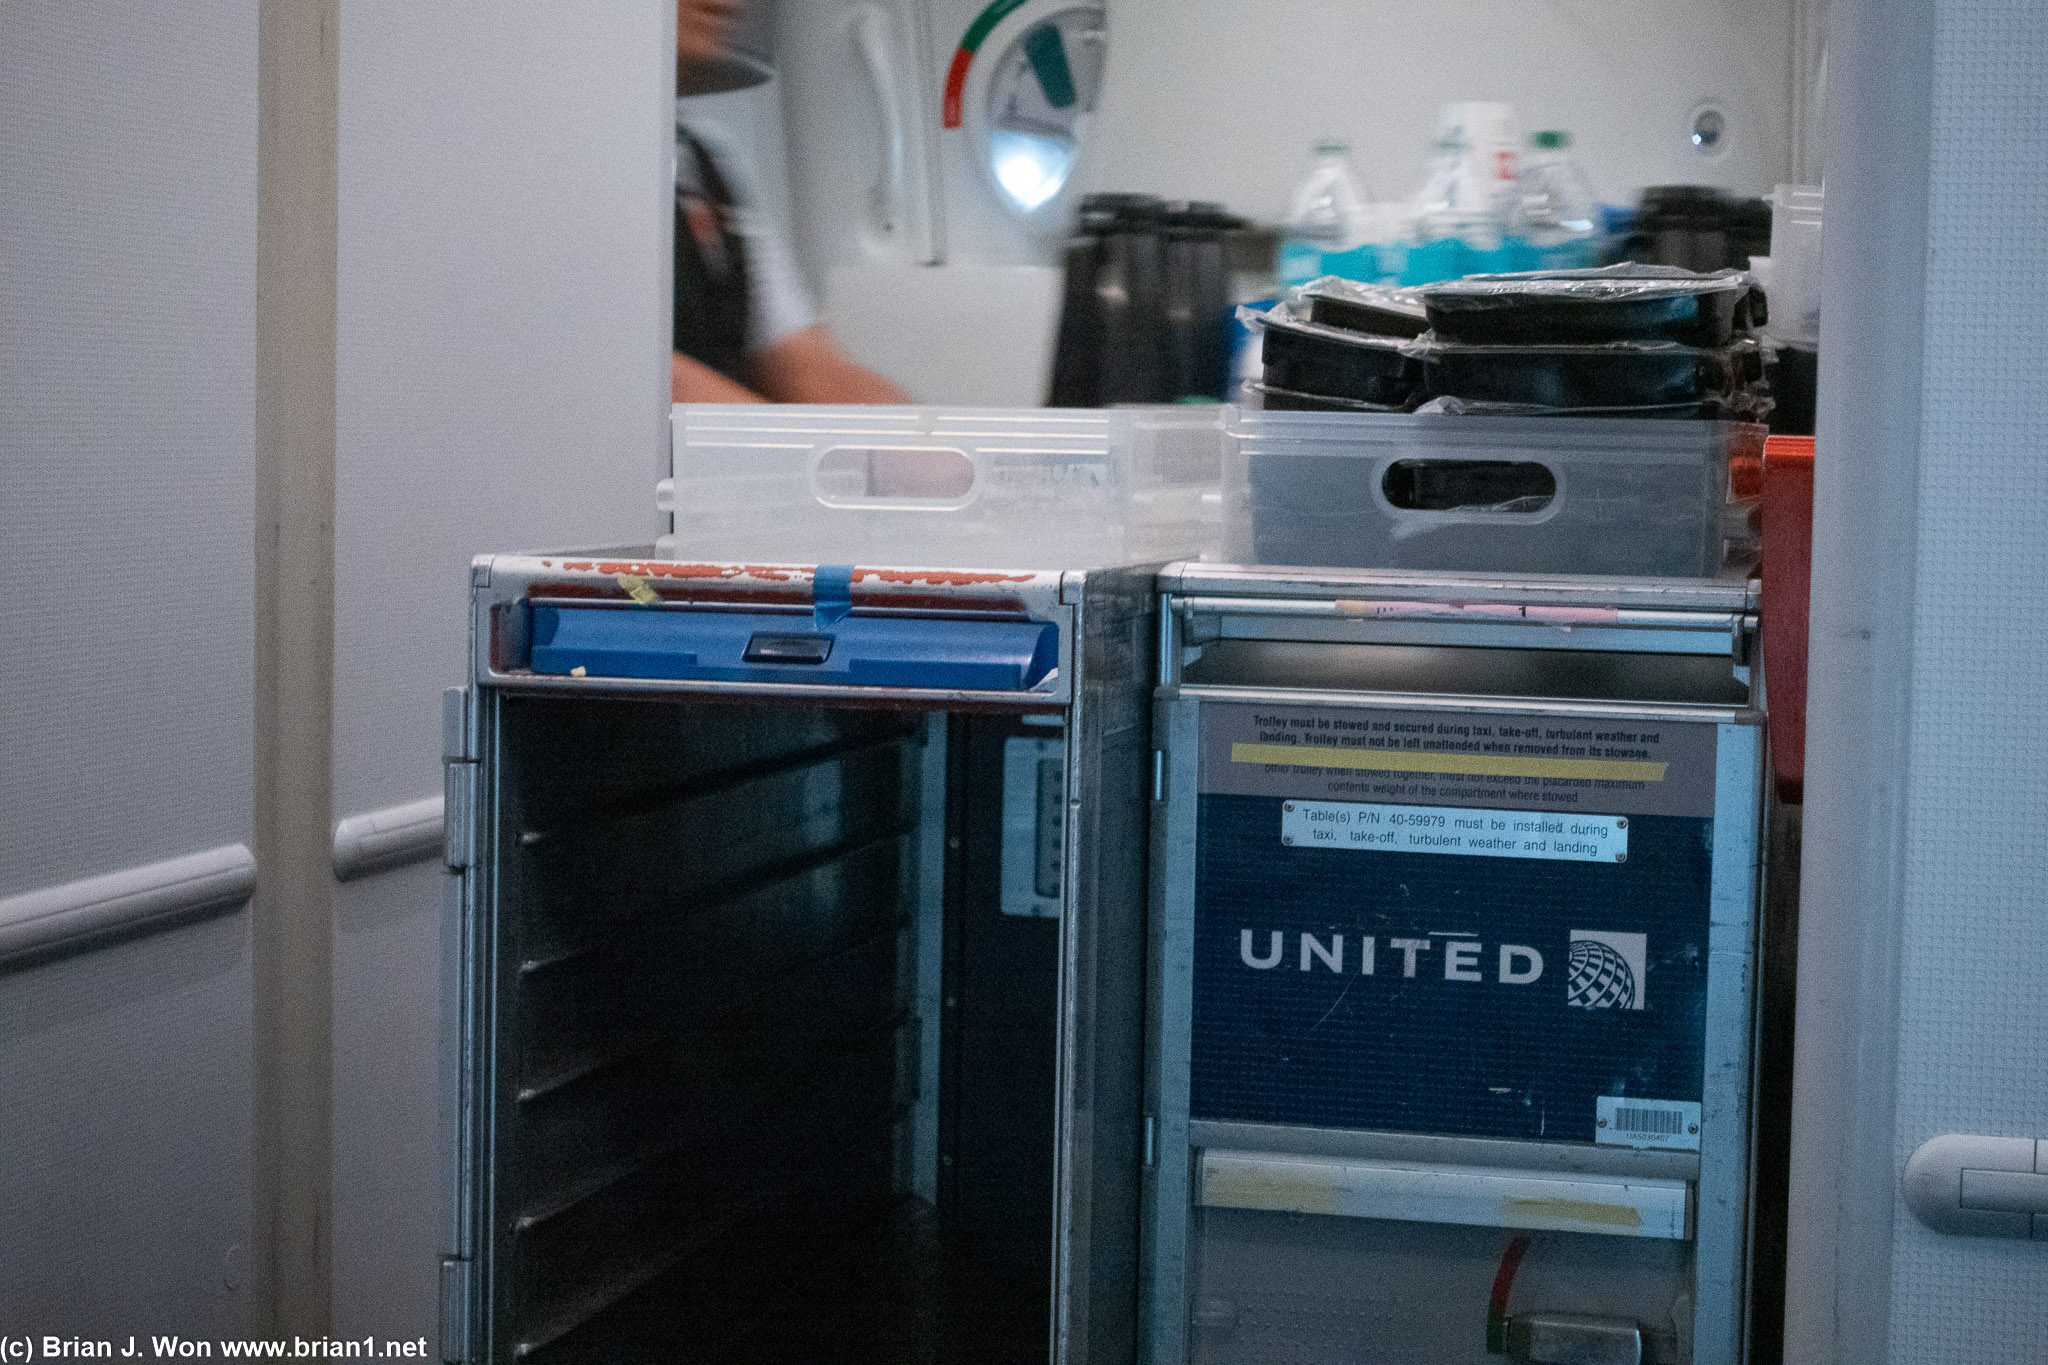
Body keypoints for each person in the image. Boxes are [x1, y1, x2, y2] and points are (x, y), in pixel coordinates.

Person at [673, 0, 909, 405]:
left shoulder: (709, 162)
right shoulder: (557, 173)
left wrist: (938, 441)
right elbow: (639, 379)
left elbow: (799, 360)